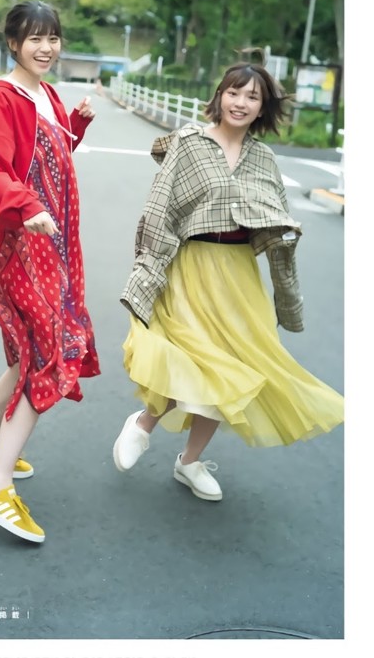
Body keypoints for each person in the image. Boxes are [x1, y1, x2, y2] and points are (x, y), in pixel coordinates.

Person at [112, 62, 344, 501]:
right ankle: (143, 423)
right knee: (184, 355)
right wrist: (147, 269)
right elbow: (160, 209)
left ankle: (190, 461)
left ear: (263, 108)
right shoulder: (189, 144)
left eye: (252, 97)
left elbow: (273, 216)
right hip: (190, 265)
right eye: (235, 93)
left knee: (230, 369)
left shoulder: (264, 159)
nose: (241, 103)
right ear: (220, 96)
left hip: (239, 274)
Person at [0, 0, 100, 543]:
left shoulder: (46, 94)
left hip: (51, 236)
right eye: (34, 38)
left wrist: (78, 125)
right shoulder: (2, 95)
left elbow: (52, 151)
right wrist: (27, 207)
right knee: (48, 350)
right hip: (21, 238)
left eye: (54, 37)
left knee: (28, 352)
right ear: (13, 43)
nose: (46, 47)